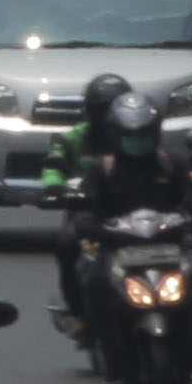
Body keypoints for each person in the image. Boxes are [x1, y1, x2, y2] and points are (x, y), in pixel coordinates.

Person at [52, 91, 192, 344]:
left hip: (168, 247)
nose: (138, 141)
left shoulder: (172, 164)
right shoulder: (101, 169)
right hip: (117, 247)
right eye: (131, 136)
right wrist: (87, 223)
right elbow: (86, 206)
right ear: (116, 134)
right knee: (95, 279)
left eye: (143, 134)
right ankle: (103, 341)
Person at [35, 71, 135, 330]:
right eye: (102, 111)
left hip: (131, 209)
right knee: (67, 245)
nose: (107, 118)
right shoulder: (73, 138)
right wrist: (53, 186)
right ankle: (77, 311)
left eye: (113, 110)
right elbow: (54, 163)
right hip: (85, 209)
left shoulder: (136, 138)